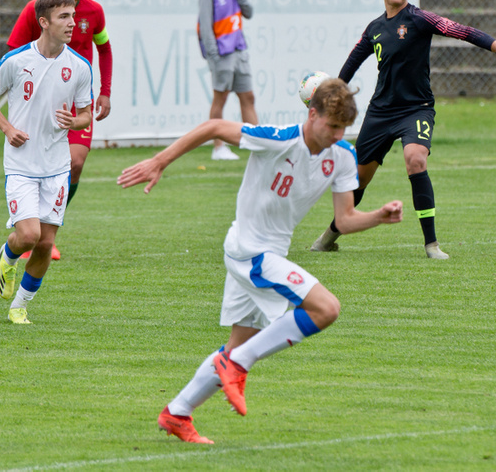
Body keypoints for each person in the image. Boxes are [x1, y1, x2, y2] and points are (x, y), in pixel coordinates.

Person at [117, 79, 402, 443]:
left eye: (343, 128)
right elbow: (214, 127)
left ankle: (177, 413)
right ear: (312, 114)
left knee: (237, 344)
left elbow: (344, 220)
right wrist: (159, 161)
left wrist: (379, 215)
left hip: (267, 253)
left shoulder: (343, 156)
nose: (336, 134)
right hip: (249, 250)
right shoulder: (279, 138)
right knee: (326, 308)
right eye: (331, 125)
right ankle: (236, 365)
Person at [310, 0, 496, 259]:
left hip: (416, 109)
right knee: (360, 179)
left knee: (415, 159)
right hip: (380, 112)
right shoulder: (374, 29)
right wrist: (330, 95)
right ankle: (330, 235)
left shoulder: (419, 19)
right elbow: (351, 65)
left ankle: (431, 244)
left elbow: (462, 30)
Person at [0, 0, 93, 324]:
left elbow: (87, 114)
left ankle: (19, 305)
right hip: (21, 165)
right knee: (28, 236)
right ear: (44, 22)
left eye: (73, 16)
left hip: (56, 167)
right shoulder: (16, 61)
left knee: (45, 243)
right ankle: (8, 253)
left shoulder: (79, 66)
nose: (72, 23)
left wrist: (76, 121)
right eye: (64, 17)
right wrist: (7, 128)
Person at [7, 0, 113, 260]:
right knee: (38, 169)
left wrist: (104, 92)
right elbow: (14, 51)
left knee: (75, 163)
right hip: (40, 109)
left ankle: (47, 233)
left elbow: (104, 49)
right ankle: (32, 233)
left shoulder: (94, 11)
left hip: (78, 106)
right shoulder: (33, 10)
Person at [199, 0, 259, 161]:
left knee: (248, 97)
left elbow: (249, 13)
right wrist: (214, 58)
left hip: (239, 52)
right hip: (222, 56)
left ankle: (257, 145)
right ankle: (218, 147)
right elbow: (206, 29)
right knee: (220, 99)